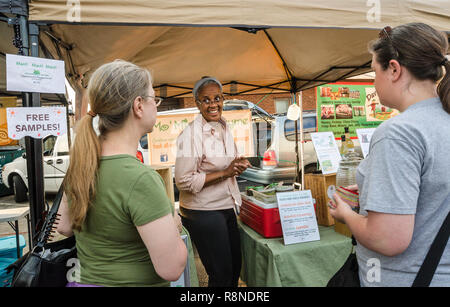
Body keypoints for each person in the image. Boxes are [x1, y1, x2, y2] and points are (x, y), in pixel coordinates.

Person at [329, 23, 450, 286]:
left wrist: (346, 214)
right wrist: (374, 190)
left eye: (374, 71)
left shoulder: (399, 132)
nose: (374, 82)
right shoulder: (443, 121)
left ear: (394, 69)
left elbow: (387, 239)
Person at [56, 60, 187, 287]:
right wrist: (175, 225)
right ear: (138, 106)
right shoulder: (140, 179)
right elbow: (172, 268)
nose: (156, 106)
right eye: (154, 99)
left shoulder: (81, 164)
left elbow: (64, 227)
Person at [175, 76, 251, 287]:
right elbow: (182, 181)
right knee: (221, 275)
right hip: (202, 211)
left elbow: (224, 164)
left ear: (223, 99)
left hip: (226, 204)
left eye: (217, 98)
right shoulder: (190, 135)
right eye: (206, 100)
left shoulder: (224, 127)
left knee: (235, 270)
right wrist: (226, 172)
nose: (213, 104)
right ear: (197, 103)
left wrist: (237, 163)